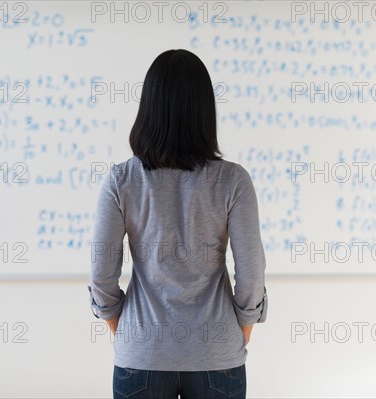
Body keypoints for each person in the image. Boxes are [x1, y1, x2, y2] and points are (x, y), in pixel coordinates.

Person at [88, 49, 268, 399]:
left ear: (148, 108)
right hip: (216, 353)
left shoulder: (121, 181)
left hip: (142, 352)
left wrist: (122, 328)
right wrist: (244, 325)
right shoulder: (233, 180)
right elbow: (251, 271)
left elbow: (100, 274)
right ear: (205, 110)